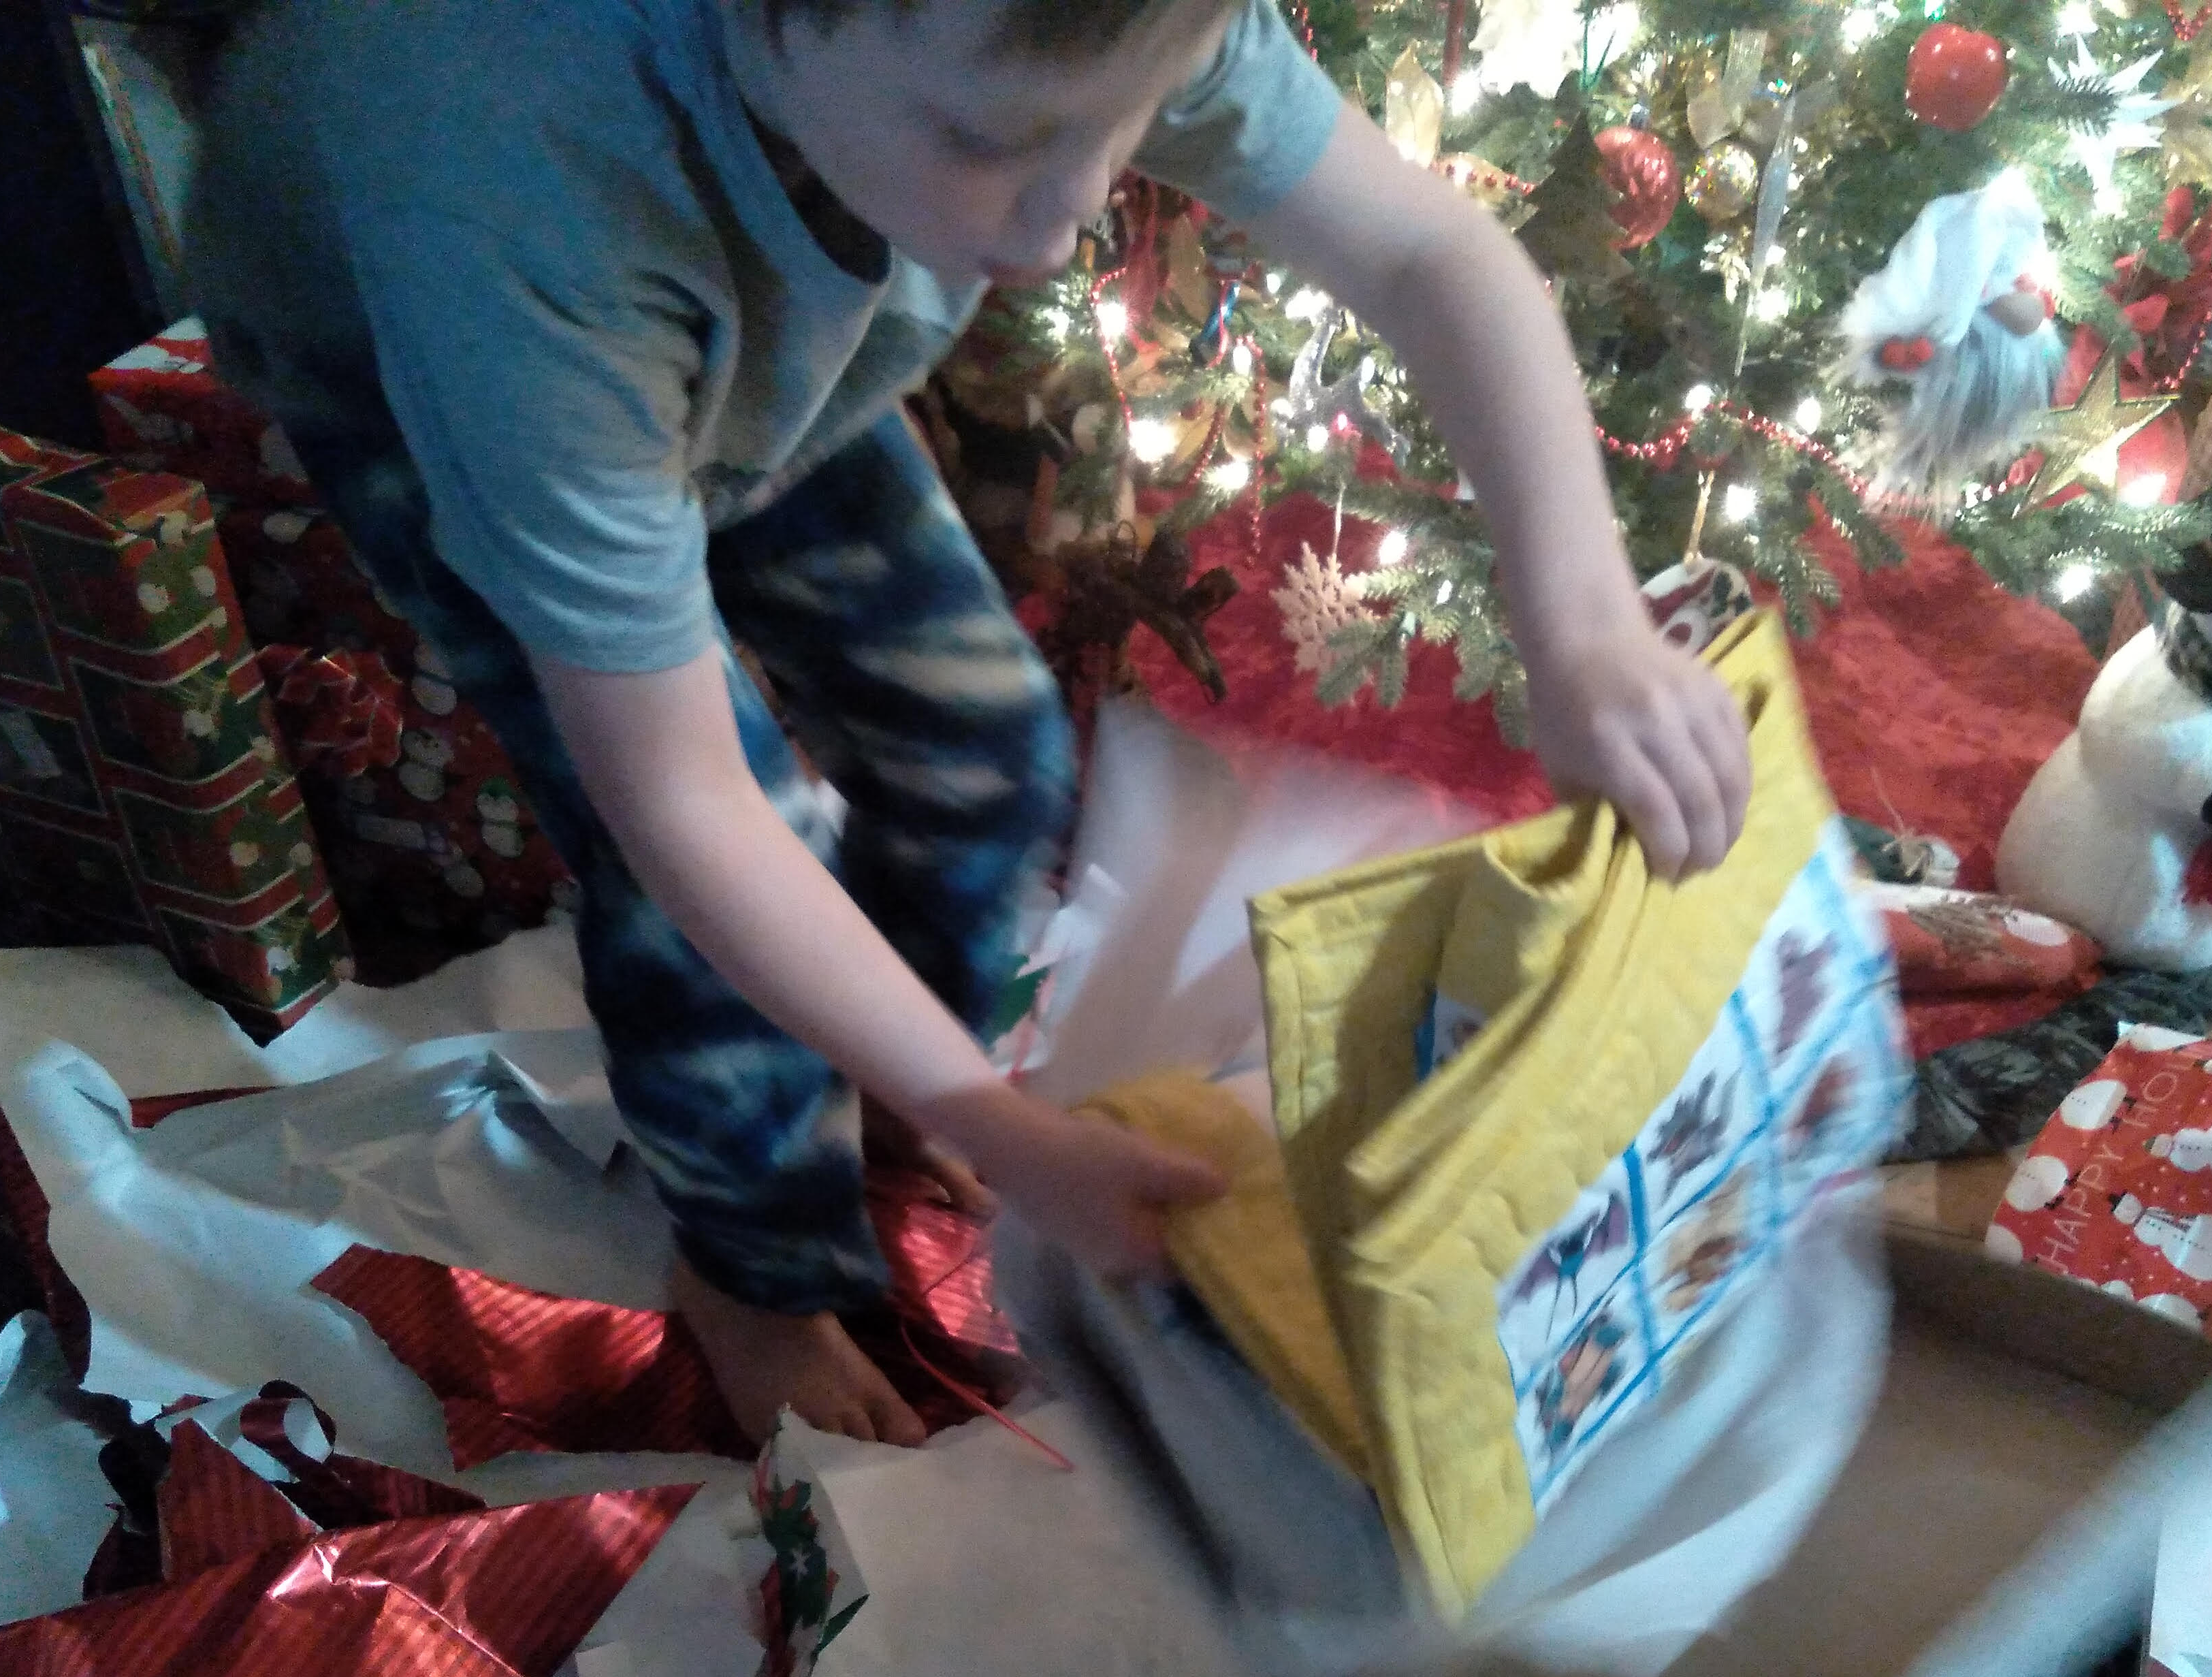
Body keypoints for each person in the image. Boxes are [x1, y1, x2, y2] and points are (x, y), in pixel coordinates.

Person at [190, 0, 1751, 1449]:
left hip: (734, 339)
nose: (1066, 217)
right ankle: (749, 1268)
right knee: (709, 874)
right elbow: (685, 814)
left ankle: (882, 1078)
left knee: (987, 747)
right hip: (436, 368)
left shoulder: (1048, 27)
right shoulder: (510, 201)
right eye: (992, 141)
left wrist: (1585, 621)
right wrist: (996, 1121)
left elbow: (1424, 252)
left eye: (1128, 119)